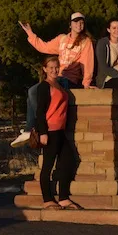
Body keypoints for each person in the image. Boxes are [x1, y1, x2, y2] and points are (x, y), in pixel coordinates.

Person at [11, 12, 95, 147]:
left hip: (68, 80)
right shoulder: (62, 39)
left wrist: (86, 83)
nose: (79, 24)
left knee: (34, 92)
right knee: (32, 94)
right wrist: (30, 34)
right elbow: (44, 47)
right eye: (76, 21)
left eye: (82, 22)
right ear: (70, 24)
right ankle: (29, 130)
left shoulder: (86, 42)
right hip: (56, 77)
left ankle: (37, 128)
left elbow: (88, 64)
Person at [36, 56, 82, 210]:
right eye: (51, 67)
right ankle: (47, 199)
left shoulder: (59, 84)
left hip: (60, 131)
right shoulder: (44, 86)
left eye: (56, 67)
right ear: (44, 69)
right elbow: (40, 112)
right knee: (48, 166)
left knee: (68, 162)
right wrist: (42, 132)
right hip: (50, 131)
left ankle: (63, 197)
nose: (54, 70)